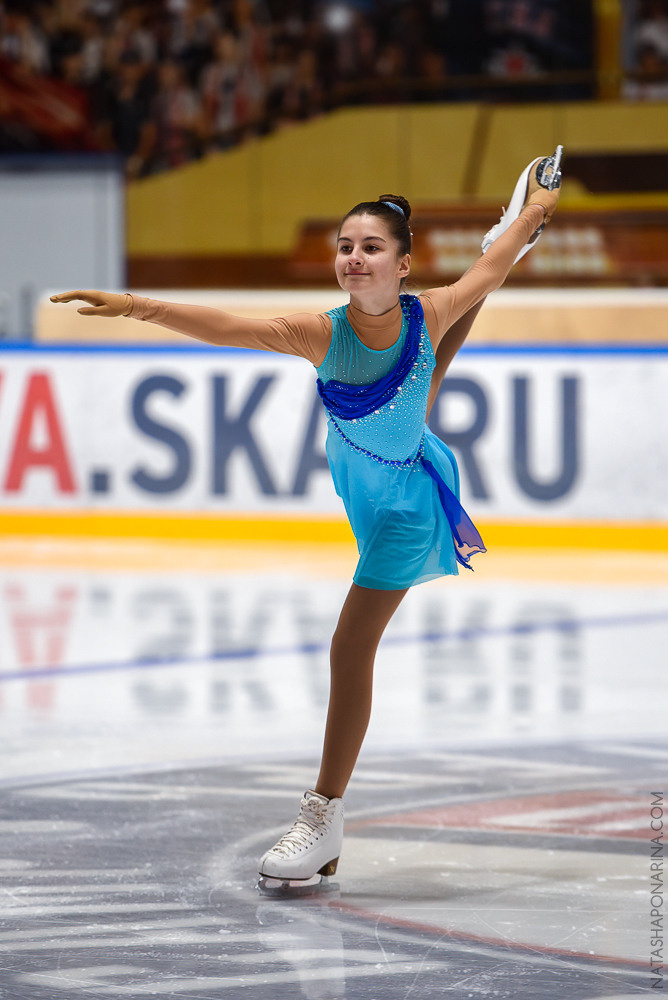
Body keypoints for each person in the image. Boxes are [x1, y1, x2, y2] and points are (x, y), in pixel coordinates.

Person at [51, 153, 560, 894]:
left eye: (372, 247)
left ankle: (323, 819)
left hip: (406, 506)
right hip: (371, 472)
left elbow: (494, 274)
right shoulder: (319, 333)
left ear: (403, 263)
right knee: (426, 366)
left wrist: (536, 212)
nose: (354, 257)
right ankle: (490, 247)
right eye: (346, 247)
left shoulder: (430, 305)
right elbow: (226, 326)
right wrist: (136, 305)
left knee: (349, 646)